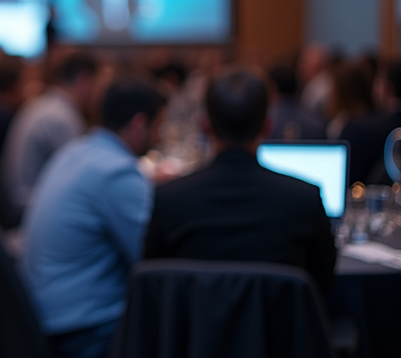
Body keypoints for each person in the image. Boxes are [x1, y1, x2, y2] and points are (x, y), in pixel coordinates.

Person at [144, 69, 337, 293]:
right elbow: (322, 286)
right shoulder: (304, 199)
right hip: (276, 317)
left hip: (198, 317)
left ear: (205, 126)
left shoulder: (170, 199)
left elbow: (153, 285)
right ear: (268, 126)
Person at [21, 77, 165, 358]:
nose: (159, 139)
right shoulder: (117, 173)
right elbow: (151, 257)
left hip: (43, 314)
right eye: (159, 127)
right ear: (139, 125)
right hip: (83, 329)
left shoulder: (75, 151)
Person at [1, 52, 98, 208]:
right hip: (29, 206)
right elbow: (78, 177)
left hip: (17, 198)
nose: (97, 93)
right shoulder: (62, 117)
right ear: (84, 80)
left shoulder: (42, 103)